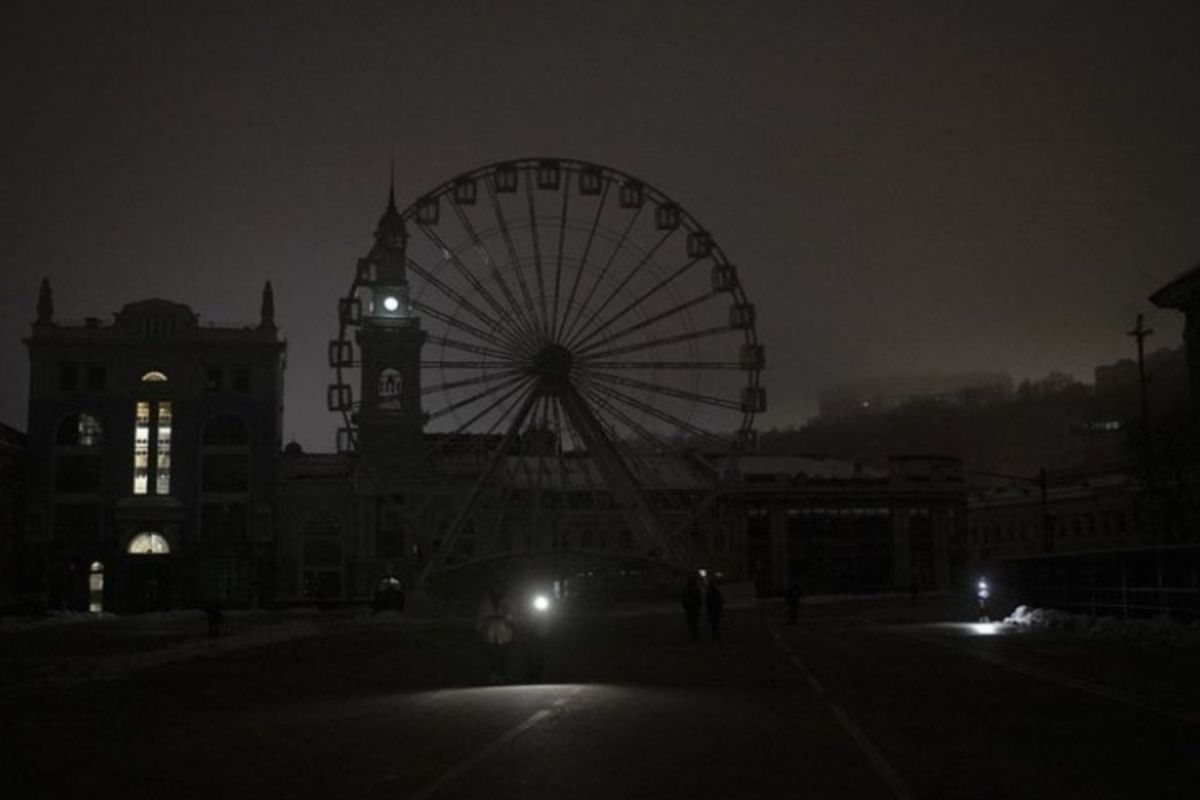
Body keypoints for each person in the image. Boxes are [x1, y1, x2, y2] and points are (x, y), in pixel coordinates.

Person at [476, 587, 515, 683]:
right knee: (491, 654)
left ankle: (502, 674)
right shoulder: (486, 601)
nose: (496, 590)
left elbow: (513, 614)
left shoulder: (507, 601)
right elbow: (482, 614)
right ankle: (493, 674)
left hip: (504, 632)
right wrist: (480, 627)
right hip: (490, 632)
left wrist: (506, 619)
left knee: (502, 654)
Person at [681, 575, 702, 643]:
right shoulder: (692, 591)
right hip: (692, 610)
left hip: (692, 610)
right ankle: (694, 636)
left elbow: (699, 601)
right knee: (693, 624)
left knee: (693, 624)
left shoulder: (690, 591)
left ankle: (694, 636)